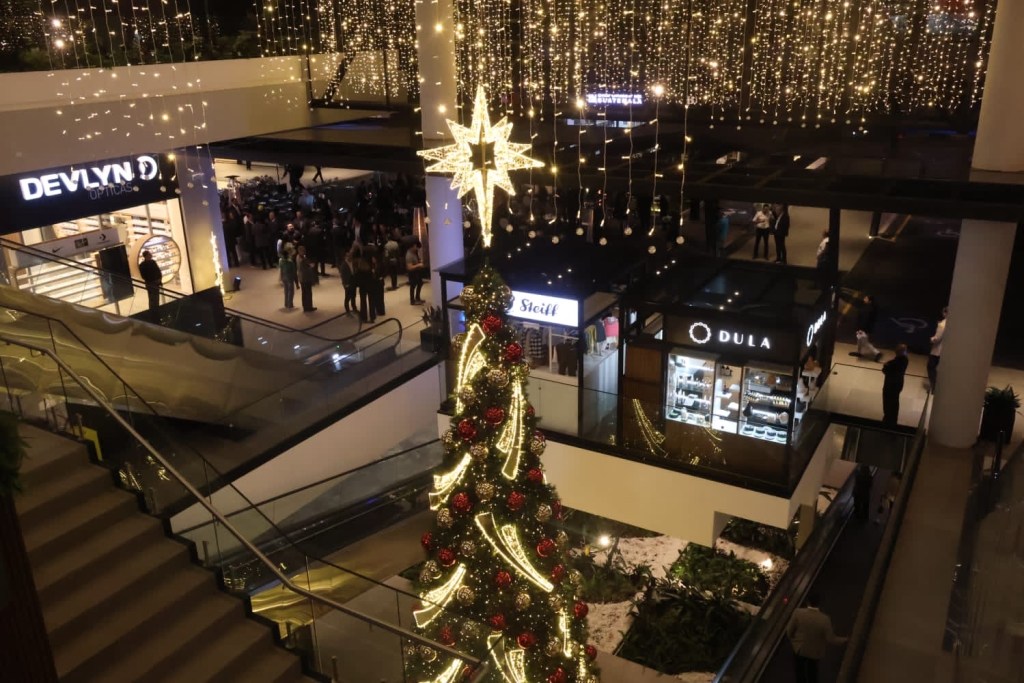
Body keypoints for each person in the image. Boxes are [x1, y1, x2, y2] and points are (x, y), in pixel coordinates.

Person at [788, 593, 847, 683]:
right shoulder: (825, 619)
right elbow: (831, 639)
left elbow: (789, 631)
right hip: (815, 652)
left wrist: (794, 642)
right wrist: (845, 640)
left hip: (800, 648)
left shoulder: (798, 613)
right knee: (812, 674)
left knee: (800, 673)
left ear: (807, 602)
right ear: (819, 603)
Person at [882, 343, 909, 426]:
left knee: (888, 402)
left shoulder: (895, 362)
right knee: (895, 401)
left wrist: (886, 365)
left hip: (891, 385)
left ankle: (888, 419)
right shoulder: (905, 360)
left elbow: (885, 370)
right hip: (898, 384)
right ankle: (892, 419)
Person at [853, 295, 882, 361]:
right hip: (863, 327)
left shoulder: (868, 309)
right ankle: (859, 352)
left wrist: (861, 328)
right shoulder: (868, 307)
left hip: (863, 328)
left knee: (865, 343)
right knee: (859, 340)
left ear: (869, 300)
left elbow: (865, 319)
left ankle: (877, 353)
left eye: (866, 298)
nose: (864, 298)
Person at [138, 250, 162, 321]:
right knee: (152, 298)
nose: (151, 255)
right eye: (149, 254)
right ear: (146, 256)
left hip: (155, 282)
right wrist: (153, 279)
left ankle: (156, 310)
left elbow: (158, 271)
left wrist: (159, 278)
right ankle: (153, 312)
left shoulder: (152, 262)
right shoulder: (142, 265)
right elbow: (144, 276)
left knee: (156, 297)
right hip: (151, 283)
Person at [928, 306, 947, 391]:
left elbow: (937, 338)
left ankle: (934, 387)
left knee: (931, 367)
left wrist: (932, 339)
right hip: (945, 350)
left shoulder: (942, 325)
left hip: (937, 350)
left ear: (945, 313)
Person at [296, 245, 318, 312]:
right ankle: (309, 307)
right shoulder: (302, 260)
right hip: (305, 278)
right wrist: (311, 266)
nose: (304, 252)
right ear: (300, 251)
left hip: (301, 277)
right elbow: (306, 268)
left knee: (304, 293)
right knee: (308, 293)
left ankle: (305, 307)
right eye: (303, 251)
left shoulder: (297, 257)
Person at [278, 245, 298, 310]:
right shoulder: (290, 262)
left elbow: (281, 270)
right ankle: (290, 304)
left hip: (284, 276)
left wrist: (280, 278)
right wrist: (297, 282)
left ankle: (286, 303)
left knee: (286, 290)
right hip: (290, 277)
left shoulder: (281, 261)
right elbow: (294, 272)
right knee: (291, 291)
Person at [406, 240, 426, 304]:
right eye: (416, 247)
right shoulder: (409, 255)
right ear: (413, 246)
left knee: (420, 283)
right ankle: (412, 301)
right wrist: (419, 265)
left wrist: (420, 261)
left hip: (417, 272)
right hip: (412, 273)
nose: (417, 249)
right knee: (413, 286)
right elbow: (409, 267)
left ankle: (417, 298)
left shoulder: (415, 252)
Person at [339, 249, 357, 314]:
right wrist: (345, 284)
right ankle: (347, 310)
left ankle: (354, 307)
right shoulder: (344, 265)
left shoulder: (353, 263)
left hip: (353, 281)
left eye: (350, 255)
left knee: (353, 295)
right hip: (348, 282)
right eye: (348, 255)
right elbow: (343, 275)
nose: (350, 256)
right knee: (348, 296)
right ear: (345, 257)